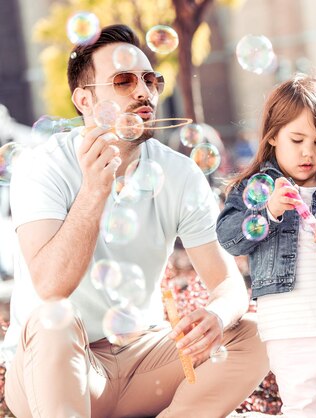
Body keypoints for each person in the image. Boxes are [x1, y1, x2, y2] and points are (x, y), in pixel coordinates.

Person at [2, 24, 268, 418]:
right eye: (124, 81)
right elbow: (50, 285)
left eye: (150, 80)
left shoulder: (178, 172)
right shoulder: (42, 166)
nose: (144, 92)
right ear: (85, 100)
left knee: (254, 335)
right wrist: (94, 191)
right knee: (53, 320)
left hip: (143, 362)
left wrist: (218, 314)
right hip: (54, 368)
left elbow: (227, 283)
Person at [216, 74, 316, 418]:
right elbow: (229, 237)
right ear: (273, 135)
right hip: (289, 327)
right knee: (304, 407)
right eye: (297, 139)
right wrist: (269, 210)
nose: (308, 152)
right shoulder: (254, 189)